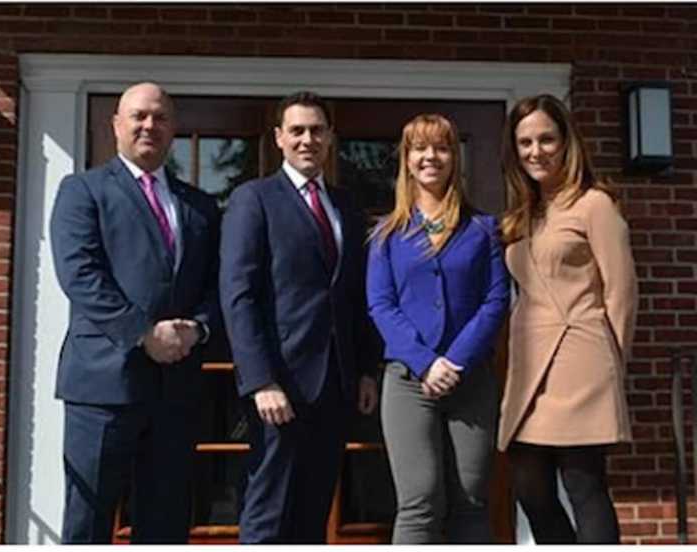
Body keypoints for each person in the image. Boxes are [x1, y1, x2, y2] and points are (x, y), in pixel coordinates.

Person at [50, 82, 221, 543]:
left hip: (176, 390)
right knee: (89, 520)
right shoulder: (82, 191)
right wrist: (144, 333)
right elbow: (81, 275)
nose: (150, 126)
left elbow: (215, 285)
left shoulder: (199, 205)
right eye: (139, 116)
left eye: (160, 117)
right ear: (117, 125)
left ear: (174, 129)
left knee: (165, 522)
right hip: (104, 386)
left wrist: (198, 329)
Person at [219, 91, 379, 543]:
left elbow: (353, 297)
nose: (307, 139)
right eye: (297, 131)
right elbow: (239, 295)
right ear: (279, 138)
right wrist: (260, 380)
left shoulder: (346, 205)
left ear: (330, 138)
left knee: (312, 514)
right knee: (268, 514)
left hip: (335, 384)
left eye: (316, 130)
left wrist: (366, 369)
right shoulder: (255, 199)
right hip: (279, 385)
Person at [497, 94, 638, 544]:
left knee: (583, 483)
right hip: (530, 364)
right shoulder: (525, 214)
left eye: (546, 139)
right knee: (529, 486)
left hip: (582, 356)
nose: (535, 151)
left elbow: (621, 291)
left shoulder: (595, 204)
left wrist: (614, 363)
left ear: (566, 142)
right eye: (524, 142)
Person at [366, 114, 510, 543]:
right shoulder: (386, 235)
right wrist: (428, 363)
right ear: (407, 160)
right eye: (419, 148)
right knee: (420, 500)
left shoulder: (484, 230)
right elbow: (380, 304)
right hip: (409, 383)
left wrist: (457, 360)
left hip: (472, 382)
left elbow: (496, 300)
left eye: (441, 147)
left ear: (455, 158)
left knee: (470, 499)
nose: (431, 156)